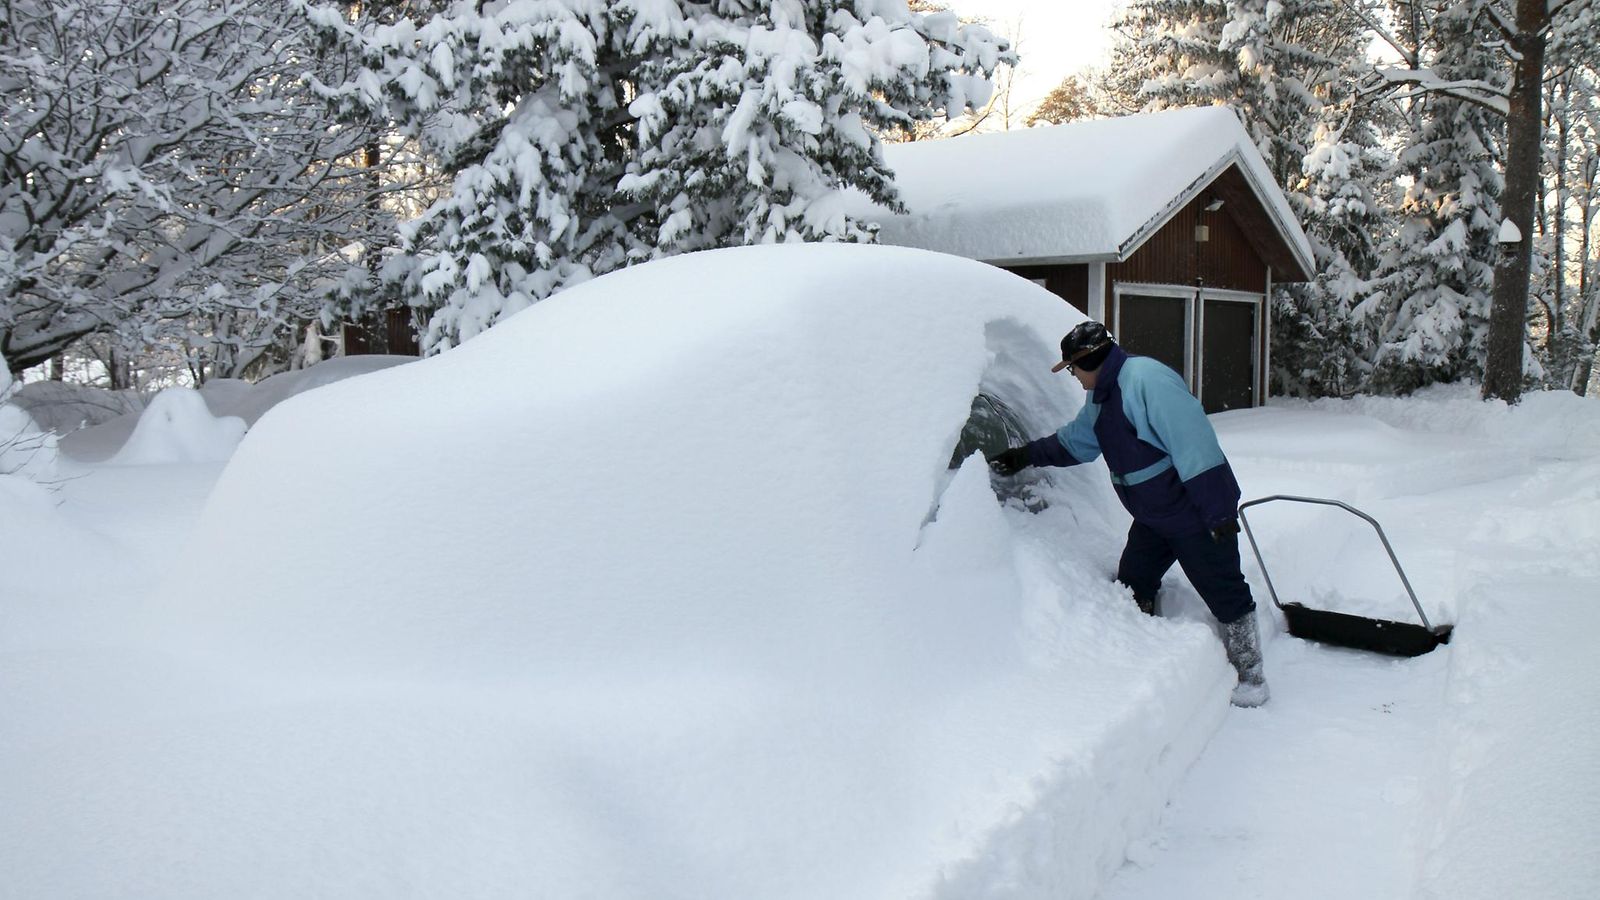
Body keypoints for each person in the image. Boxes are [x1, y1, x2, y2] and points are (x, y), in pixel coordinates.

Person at [988, 321, 1269, 707]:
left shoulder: (1146, 381)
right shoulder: (1102, 396)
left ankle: (1251, 678)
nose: (1073, 376)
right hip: (1153, 517)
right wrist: (1025, 456)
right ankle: (1145, 654)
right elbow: (1078, 442)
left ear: (1089, 360)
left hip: (1192, 513)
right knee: (1134, 580)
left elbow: (1194, 444)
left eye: (1073, 368)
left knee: (1225, 590)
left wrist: (1218, 512)